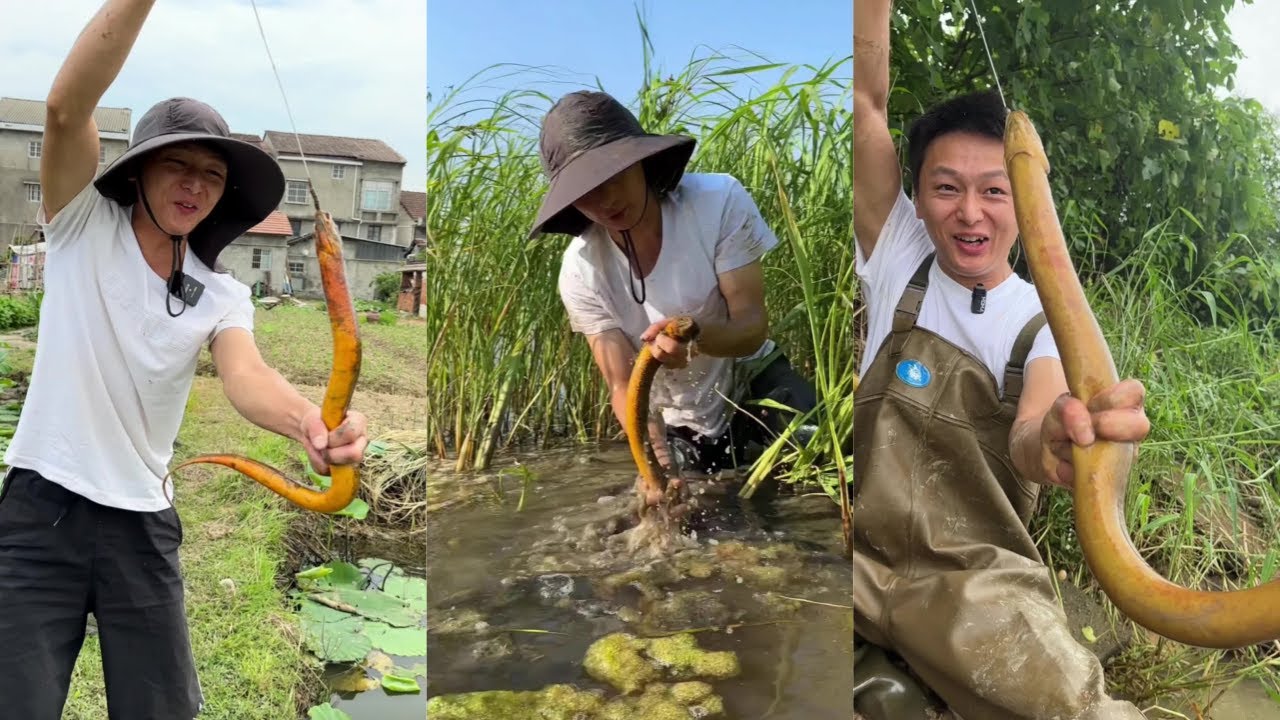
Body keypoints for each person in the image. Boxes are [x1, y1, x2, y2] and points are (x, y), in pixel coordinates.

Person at [0, 2, 369, 718]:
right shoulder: (80, 225)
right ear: (137, 173)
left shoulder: (222, 294)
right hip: (42, 506)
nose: (194, 185)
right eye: (177, 164)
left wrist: (307, 425)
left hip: (143, 520)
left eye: (210, 173)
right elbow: (64, 108)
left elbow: (246, 374)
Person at [852, 1, 1152, 718]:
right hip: (856, 557)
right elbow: (866, 98)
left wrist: (1053, 440)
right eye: (946, 187)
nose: (970, 212)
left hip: (975, 583)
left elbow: (1031, 431)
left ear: (1025, 201)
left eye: (995, 190)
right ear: (917, 199)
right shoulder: (895, 251)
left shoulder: (1046, 321)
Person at [527, 90, 817, 507]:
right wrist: (655, 461)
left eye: (612, 178)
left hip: (749, 374)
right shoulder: (580, 269)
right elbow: (621, 382)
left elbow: (751, 327)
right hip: (678, 415)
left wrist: (695, 337)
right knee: (686, 505)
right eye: (586, 192)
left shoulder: (718, 202)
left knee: (821, 448)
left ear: (640, 162)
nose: (605, 202)